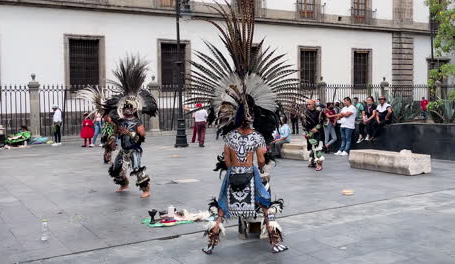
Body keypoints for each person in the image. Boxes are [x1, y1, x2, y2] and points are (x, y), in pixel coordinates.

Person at [184, 1, 297, 254]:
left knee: (222, 206)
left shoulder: (230, 137)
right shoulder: (257, 137)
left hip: (233, 174)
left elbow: (225, 160)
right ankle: (275, 241)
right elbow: (259, 162)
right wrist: (261, 167)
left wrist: (233, 165)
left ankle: (211, 243)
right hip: (251, 174)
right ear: (254, 116)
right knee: (265, 203)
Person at [104, 55, 158, 199]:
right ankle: (124, 183)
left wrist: (129, 133)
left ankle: (146, 189)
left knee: (136, 168)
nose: (127, 110)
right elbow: (115, 130)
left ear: (134, 109)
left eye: (130, 108)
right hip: (124, 150)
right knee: (116, 169)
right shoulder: (120, 121)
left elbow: (142, 136)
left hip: (134, 150)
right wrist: (113, 138)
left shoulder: (137, 122)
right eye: (125, 107)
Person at [300, 100, 325, 171]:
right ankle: (313, 162)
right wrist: (306, 131)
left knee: (318, 149)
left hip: (318, 133)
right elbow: (304, 125)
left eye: (309, 104)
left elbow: (321, 122)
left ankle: (319, 165)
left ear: (313, 105)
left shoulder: (319, 113)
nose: (308, 105)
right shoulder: (305, 113)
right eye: (307, 104)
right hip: (309, 133)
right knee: (311, 148)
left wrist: (316, 128)